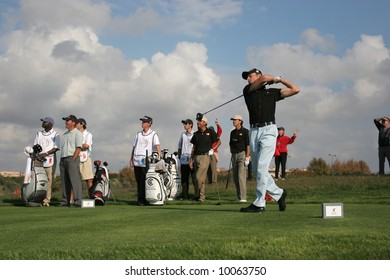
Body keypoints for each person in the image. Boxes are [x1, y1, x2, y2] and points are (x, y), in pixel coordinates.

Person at [240, 68, 300, 213]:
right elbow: (264, 78)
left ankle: (260, 203)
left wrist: (280, 79)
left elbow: (295, 89)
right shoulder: (248, 90)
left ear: (258, 75)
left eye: (250, 76)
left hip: (269, 130)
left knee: (261, 167)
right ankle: (279, 194)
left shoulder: (273, 93)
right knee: (257, 170)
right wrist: (272, 79)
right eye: (247, 77)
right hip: (254, 131)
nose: (248, 79)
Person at [130, 116, 161, 205]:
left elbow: (158, 146)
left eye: (144, 122)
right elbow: (134, 147)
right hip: (136, 160)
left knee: (144, 181)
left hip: (145, 160)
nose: (142, 123)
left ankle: (142, 200)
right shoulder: (138, 134)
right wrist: (131, 158)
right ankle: (141, 199)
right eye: (142, 122)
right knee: (138, 181)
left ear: (149, 124)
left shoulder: (153, 134)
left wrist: (159, 158)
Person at [189, 115, 218, 202]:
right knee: (199, 178)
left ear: (205, 123)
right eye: (198, 121)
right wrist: (191, 159)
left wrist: (213, 149)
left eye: (200, 121)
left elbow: (218, 141)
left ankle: (198, 195)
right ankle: (201, 197)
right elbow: (193, 147)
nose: (198, 122)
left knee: (199, 177)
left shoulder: (210, 132)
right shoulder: (196, 134)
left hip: (205, 156)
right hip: (196, 157)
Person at [34, 117, 60, 207]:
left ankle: (46, 200)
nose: (43, 123)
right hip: (39, 159)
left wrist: (46, 153)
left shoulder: (56, 134)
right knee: (38, 179)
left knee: (49, 180)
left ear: (50, 124)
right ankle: (37, 197)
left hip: (50, 159)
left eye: (45, 122)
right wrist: (37, 155)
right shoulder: (39, 133)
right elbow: (35, 145)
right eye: (43, 121)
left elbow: (56, 148)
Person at [58, 114, 83, 207]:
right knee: (64, 181)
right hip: (63, 159)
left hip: (72, 158)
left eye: (67, 120)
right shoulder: (65, 134)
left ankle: (78, 201)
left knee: (75, 181)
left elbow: (78, 148)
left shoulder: (78, 134)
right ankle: (65, 201)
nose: (65, 122)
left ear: (73, 122)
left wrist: (73, 159)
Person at [229, 114, 250, 203]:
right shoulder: (232, 132)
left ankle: (243, 197)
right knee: (235, 178)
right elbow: (231, 144)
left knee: (241, 176)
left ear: (240, 121)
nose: (233, 121)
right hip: (234, 155)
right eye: (233, 120)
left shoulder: (245, 131)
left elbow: (248, 145)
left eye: (235, 120)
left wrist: (247, 157)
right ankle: (239, 196)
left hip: (242, 154)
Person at [177, 118, 196, 199]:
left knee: (195, 179)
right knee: (184, 180)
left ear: (190, 125)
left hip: (193, 160)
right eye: (184, 124)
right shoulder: (183, 135)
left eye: (186, 124)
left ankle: (197, 196)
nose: (184, 125)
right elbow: (179, 147)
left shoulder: (195, 134)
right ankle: (185, 197)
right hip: (184, 160)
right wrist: (179, 157)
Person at [76, 118, 94, 191]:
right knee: (74, 180)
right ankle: (71, 200)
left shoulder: (88, 134)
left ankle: (91, 197)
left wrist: (77, 146)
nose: (75, 124)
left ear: (82, 124)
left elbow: (86, 146)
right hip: (76, 157)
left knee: (88, 179)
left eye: (77, 123)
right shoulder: (75, 134)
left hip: (85, 158)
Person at [207, 119, 222, 183]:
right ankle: (209, 181)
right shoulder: (207, 137)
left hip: (214, 153)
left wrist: (217, 124)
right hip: (207, 153)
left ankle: (214, 182)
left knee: (213, 168)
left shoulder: (216, 136)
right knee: (208, 168)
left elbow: (220, 131)